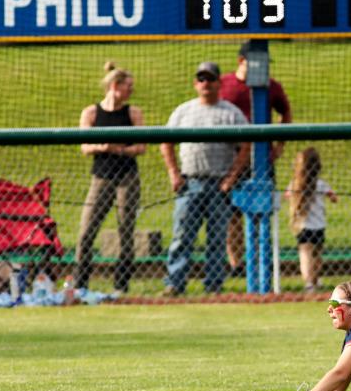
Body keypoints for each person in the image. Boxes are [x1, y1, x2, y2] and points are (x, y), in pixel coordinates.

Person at [160, 61, 251, 297]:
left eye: (210, 79)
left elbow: (245, 146)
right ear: (195, 83)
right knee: (182, 235)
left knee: (217, 238)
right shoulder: (183, 111)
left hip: (219, 183)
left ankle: (213, 285)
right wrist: (173, 172)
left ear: (219, 83)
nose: (206, 83)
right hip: (190, 182)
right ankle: (175, 283)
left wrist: (231, 178)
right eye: (201, 79)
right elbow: (165, 142)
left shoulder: (231, 113)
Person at [220, 40, 293, 278]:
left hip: (262, 157)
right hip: (231, 158)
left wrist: (280, 145)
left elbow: (286, 111)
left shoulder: (272, 86)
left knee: (263, 209)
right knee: (231, 213)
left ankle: (263, 261)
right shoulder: (225, 84)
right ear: (242, 61)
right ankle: (237, 263)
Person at [74, 61, 146, 293]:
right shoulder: (91, 113)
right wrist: (105, 146)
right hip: (101, 176)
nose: (131, 91)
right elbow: (85, 146)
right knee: (86, 230)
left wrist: (121, 150)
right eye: (128, 86)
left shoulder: (133, 113)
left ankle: (121, 285)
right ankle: (81, 282)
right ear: (115, 86)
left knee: (126, 229)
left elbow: (141, 146)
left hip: (127, 176)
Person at [284, 147, 338, 293]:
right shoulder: (321, 184)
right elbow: (334, 197)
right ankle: (315, 278)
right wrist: (331, 197)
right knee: (317, 254)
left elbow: (286, 195)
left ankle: (309, 282)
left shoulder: (295, 184)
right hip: (319, 225)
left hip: (303, 226)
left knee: (305, 253)